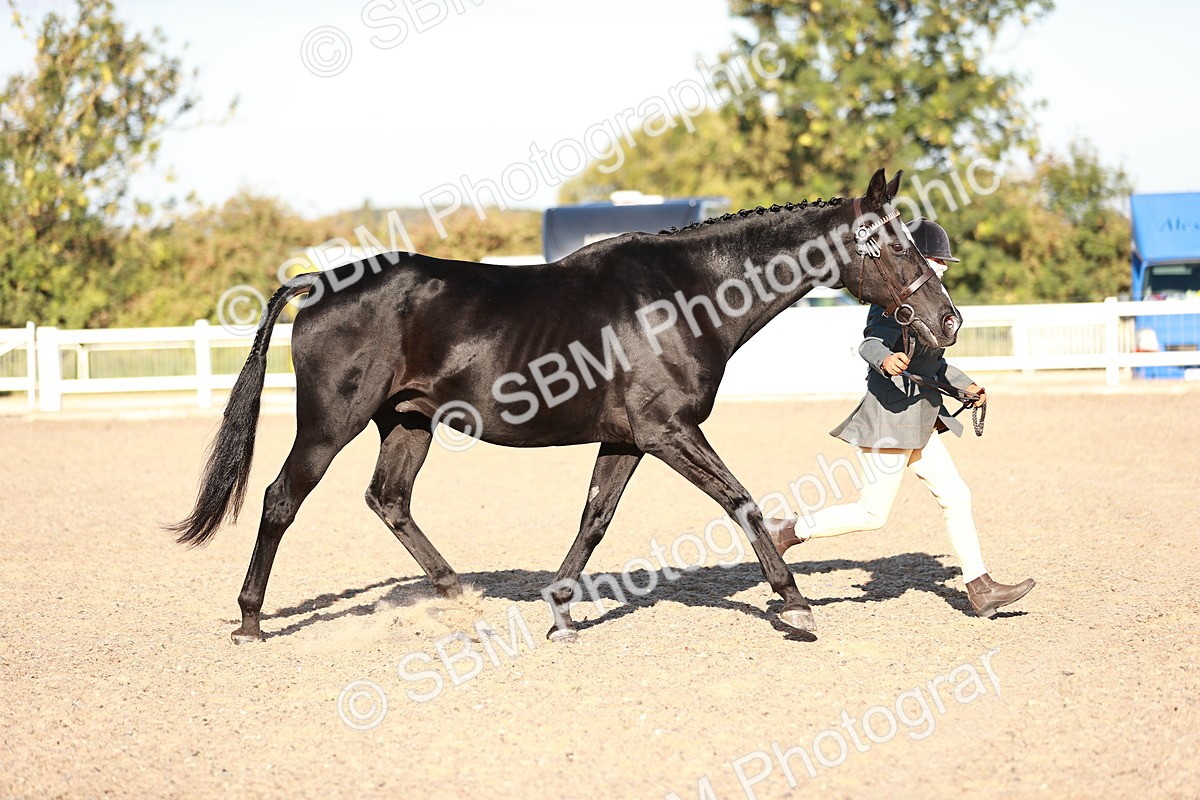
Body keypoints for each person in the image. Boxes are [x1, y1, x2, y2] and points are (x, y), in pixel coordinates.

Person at [770, 218, 1034, 618]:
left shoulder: (928, 303)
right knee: (872, 514)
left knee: (957, 496)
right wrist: (885, 359)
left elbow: (936, 363)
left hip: (921, 420)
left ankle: (979, 587)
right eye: (937, 260)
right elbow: (870, 343)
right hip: (891, 419)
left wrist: (965, 387)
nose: (943, 268)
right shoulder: (892, 300)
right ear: (919, 259)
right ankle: (786, 532)